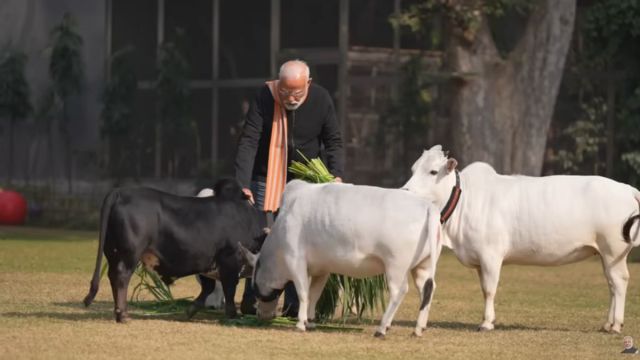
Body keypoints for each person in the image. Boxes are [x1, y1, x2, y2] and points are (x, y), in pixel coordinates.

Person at [235, 59, 344, 317]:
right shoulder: (265, 96)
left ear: (309, 84)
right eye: (285, 91)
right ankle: (254, 300)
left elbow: (333, 141)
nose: (290, 97)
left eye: (297, 92)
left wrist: (336, 175)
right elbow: (249, 140)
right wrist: (243, 183)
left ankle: (297, 306)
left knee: (301, 241)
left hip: (306, 183)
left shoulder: (321, 99)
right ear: (278, 84)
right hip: (266, 178)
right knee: (263, 239)